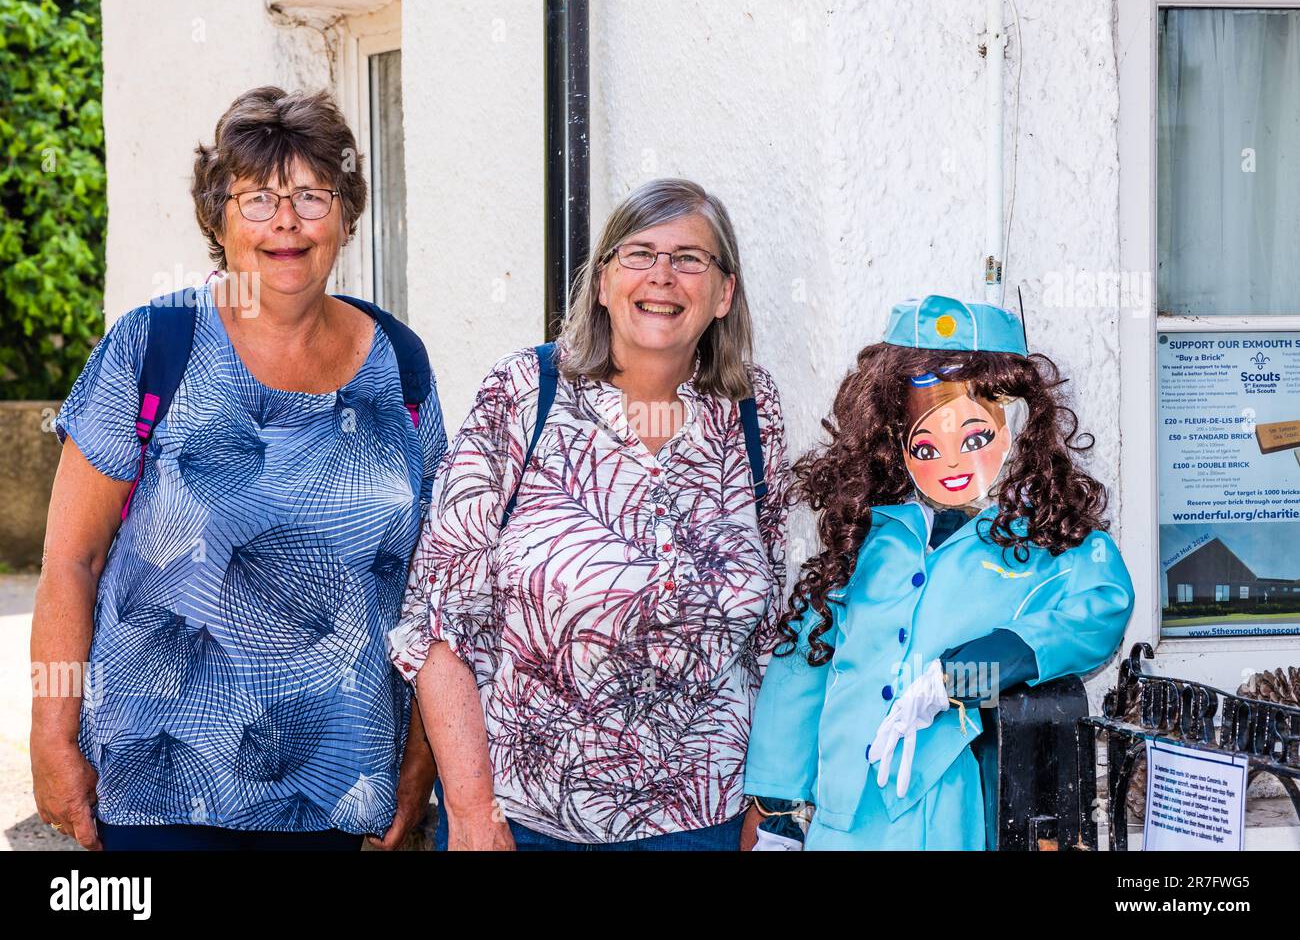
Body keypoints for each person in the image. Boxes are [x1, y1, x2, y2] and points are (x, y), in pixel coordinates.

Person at [30, 86, 444, 851]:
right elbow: (70, 561)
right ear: (218, 219)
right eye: (257, 198)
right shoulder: (153, 344)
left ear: (346, 217)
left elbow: (434, 586)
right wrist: (52, 739)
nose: (285, 221)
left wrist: (421, 761)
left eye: (312, 195)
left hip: (336, 787)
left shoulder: (401, 363)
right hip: (159, 788)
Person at [390, 178, 791, 850]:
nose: (663, 275)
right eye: (639, 253)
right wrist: (470, 810)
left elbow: (774, 623)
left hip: (704, 820)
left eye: (691, 258)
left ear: (724, 294)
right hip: (526, 820)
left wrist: (767, 801)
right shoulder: (524, 392)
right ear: (603, 282)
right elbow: (438, 620)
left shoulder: (754, 410)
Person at [743, 294, 1134, 850]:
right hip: (840, 815)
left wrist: (966, 675)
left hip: (951, 810)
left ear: (1020, 425)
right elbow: (805, 666)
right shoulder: (868, 533)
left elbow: (1099, 610)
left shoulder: (1051, 539)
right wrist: (776, 806)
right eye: (926, 443)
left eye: (974, 438)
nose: (951, 461)